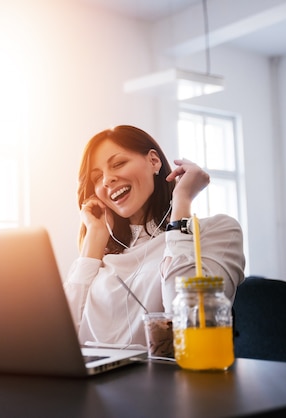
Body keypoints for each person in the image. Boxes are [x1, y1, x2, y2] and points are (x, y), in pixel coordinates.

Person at [64, 125, 245, 348]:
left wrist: (182, 204)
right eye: (97, 177)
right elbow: (59, 338)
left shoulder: (217, 231)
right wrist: (95, 236)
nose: (107, 180)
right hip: (94, 381)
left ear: (153, 161)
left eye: (118, 163)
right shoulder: (100, 254)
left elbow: (190, 322)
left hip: (165, 381)